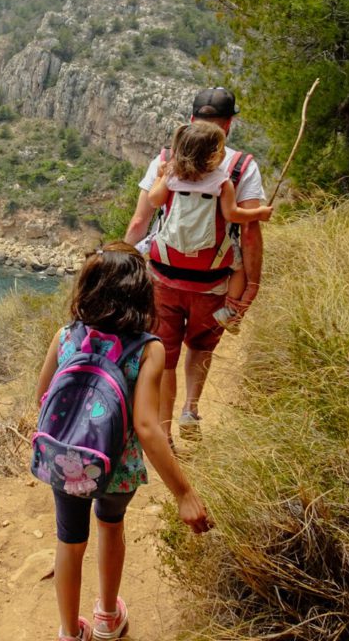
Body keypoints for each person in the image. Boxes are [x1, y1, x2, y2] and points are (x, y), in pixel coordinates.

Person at [35, 241, 212, 641]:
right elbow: (147, 428)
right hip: (119, 465)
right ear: (141, 293)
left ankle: (68, 632)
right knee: (111, 527)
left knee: (69, 542)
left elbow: (42, 396)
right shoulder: (147, 348)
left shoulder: (66, 336)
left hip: (68, 461)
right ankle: (108, 617)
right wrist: (183, 492)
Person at [123, 87, 265, 441]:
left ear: (190, 121)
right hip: (214, 281)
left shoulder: (166, 163)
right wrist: (252, 285)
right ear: (228, 126)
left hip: (163, 277)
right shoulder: (239, 168)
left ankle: (165, 430)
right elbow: (249, 232)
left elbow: (141, 220)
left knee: (164, 355)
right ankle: (191, 409)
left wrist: (120, 263)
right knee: (201, 345)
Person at [147, 120, 272, 332]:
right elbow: (232, 214)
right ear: (214, 155)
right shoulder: (222, 183)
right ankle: (229, 313)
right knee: (239, 270)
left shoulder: (171, 176)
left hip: (171, 249)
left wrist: (160, 177)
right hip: (210, 256)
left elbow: (154, 200)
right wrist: (259, 213)